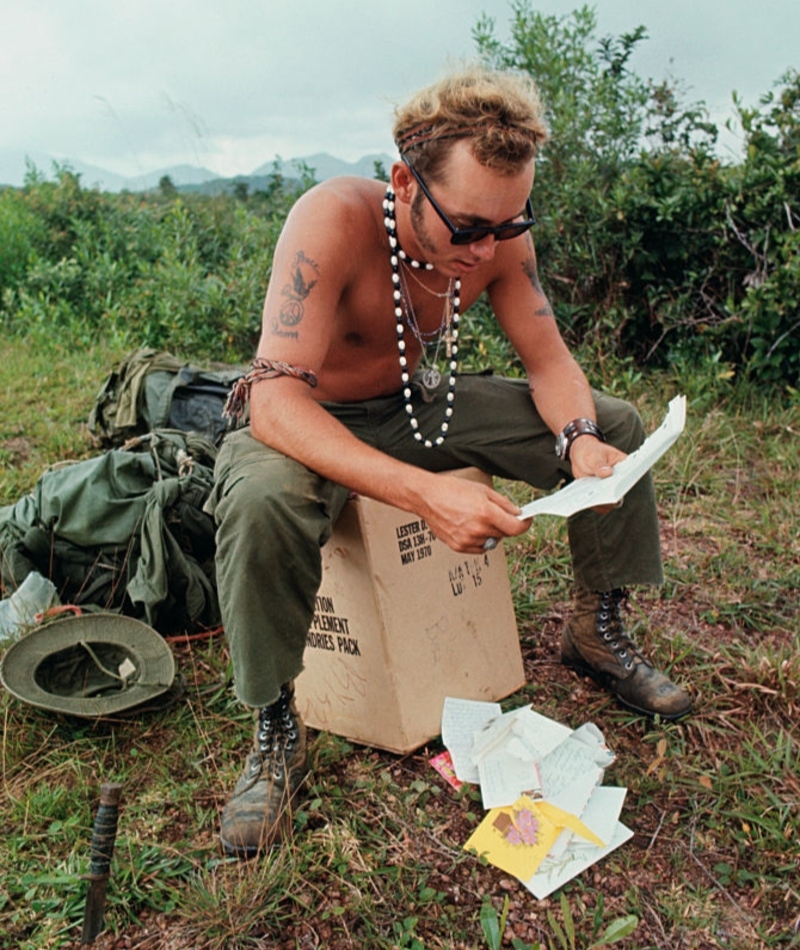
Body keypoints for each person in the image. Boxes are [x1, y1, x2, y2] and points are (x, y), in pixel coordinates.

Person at [205, 65, 692, 858]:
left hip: (418, 404)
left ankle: (597, 631)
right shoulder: (331, 220)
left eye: (507, 224)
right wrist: (426, 494)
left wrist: (577, 440)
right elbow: (271, 399)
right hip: (311, 418)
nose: (485, 247)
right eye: (466, 227)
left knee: (618, 420)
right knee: (261, 503)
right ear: (404, 182)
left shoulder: (495, 236)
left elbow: (549, 361)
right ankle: (272, 724)